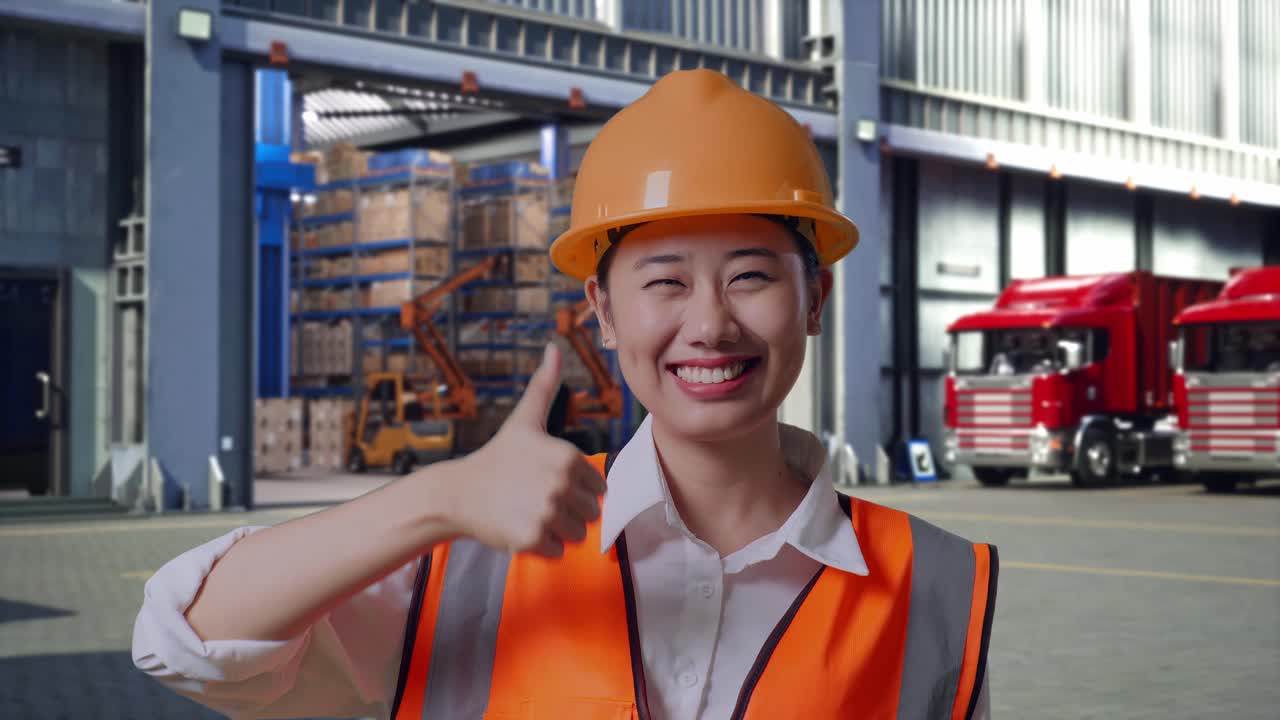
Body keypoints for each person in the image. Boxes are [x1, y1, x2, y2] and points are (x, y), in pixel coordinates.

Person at [133, 69, 997, 720]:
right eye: (664, 282)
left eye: (749, 277)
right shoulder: (474, 554)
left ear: (813, 300)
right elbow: (186, 640)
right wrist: (438, 497)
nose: (709, 325)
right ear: (603, 314)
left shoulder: (935, 585)